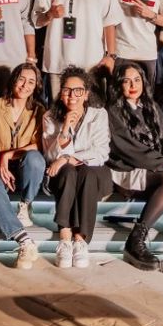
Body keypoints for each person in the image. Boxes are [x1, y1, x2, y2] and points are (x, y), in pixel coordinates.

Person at [105, 60, 163, 273]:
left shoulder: (151, 106)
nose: (133, 85)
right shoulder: (113, 111)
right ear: (119, 84)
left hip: (154, 167)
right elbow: (127, 148)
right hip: (127, 169)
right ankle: (135, 240)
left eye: (137, 80)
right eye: (126, 81)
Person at [42, 67, 112, 269]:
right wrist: (64, 129)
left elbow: (101, 153)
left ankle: (80, 241)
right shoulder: (50, 116)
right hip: (64, 176)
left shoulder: (99, 115)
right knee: (68, 172)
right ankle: (65, 239)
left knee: (86, 173)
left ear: (86, 94)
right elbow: (50, 156)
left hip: (95, 173)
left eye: (78, 90)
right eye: (67, 90)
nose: (72, 95)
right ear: (61, 92)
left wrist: (67, 157)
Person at [0, 62, 45, 269]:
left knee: (35, 158)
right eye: (21, 79)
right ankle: (23, 240)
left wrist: (10, 154)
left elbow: (40, 144)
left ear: (36, 86)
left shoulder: (38, 110)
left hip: (23, 166)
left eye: (31, 82)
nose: (25, 85)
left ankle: (25, 203)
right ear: (14, 80)